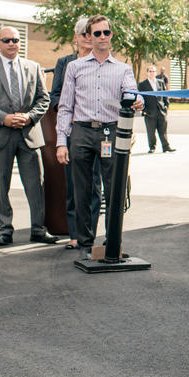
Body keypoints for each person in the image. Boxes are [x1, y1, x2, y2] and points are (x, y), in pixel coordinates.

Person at [55, 15, 142, 259]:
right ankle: (85, 244)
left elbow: (134, 94)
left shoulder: (123, 69)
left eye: (106, 32)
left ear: (111, 35)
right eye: (97, 33)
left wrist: (138, 101)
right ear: (88, 37)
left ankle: (113, 242)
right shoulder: (74, 67)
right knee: (82, 190)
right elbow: (65, 107)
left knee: (114, 189)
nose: (102, 37)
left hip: (109, 132)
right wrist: (62, 142)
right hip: (81, 131)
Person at [0, 26, 58, 246]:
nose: (11, 43)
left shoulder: (33, 67)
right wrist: (3, 118)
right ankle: (4, 230)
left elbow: (44, 99)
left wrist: (30, 117)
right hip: (0, 134)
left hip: (28, 134)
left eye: (15, 39)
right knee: (0, 186)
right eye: (6, 40)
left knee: (36, 185)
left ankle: (38, 229)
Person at [50, 16, 101, 250]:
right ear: (76, 38)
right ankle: (74, 232)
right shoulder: (65, 63)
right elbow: (55, 95)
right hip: (72, 130)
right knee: (74, 183)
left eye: (92, 34)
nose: (89, 39)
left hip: (98, 131)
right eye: (84, 35)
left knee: (94, 184)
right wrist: (68, 106)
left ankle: (89, 232)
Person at [138, 64, 174, 153]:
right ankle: (152, 147)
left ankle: (166, 147)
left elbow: (165, 95)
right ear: (147, 73)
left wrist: (166, 106)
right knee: (151, 131)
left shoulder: (160, 82)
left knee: (163, 130)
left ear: (155, 72)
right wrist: (143, 111)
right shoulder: (142, 84)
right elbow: (140, 98)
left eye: (153, 71)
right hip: (149, 112)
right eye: (150, 71)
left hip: (161, 110)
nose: (152, 73)